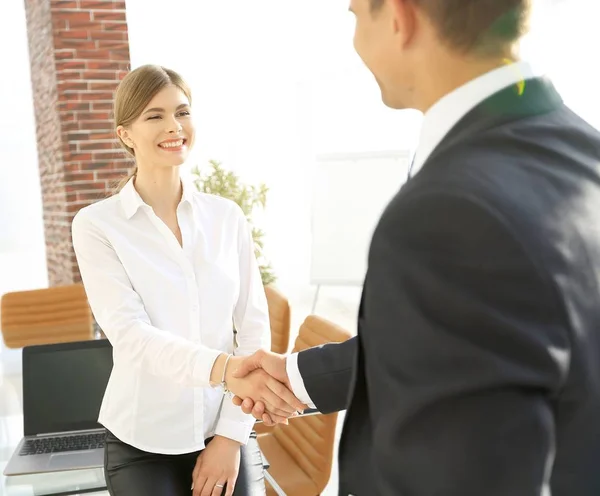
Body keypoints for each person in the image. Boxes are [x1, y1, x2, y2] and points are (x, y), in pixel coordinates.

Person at [231, 0, 600, 494]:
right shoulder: (582, 150)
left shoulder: (447, 210)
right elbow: (481, 337)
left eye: (357, 15)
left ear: (401, 18)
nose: (356, 39)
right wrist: (296, 376)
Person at [71, 64, 304, 496]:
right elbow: (132, 336)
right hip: (143, 440)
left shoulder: (226, 217)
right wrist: (226, 370)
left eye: (182, 112)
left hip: (225, 426)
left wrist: (231, 437)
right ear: (126, 134)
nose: (174, 126)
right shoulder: (97, 225)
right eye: (154, 116)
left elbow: (252, 326)